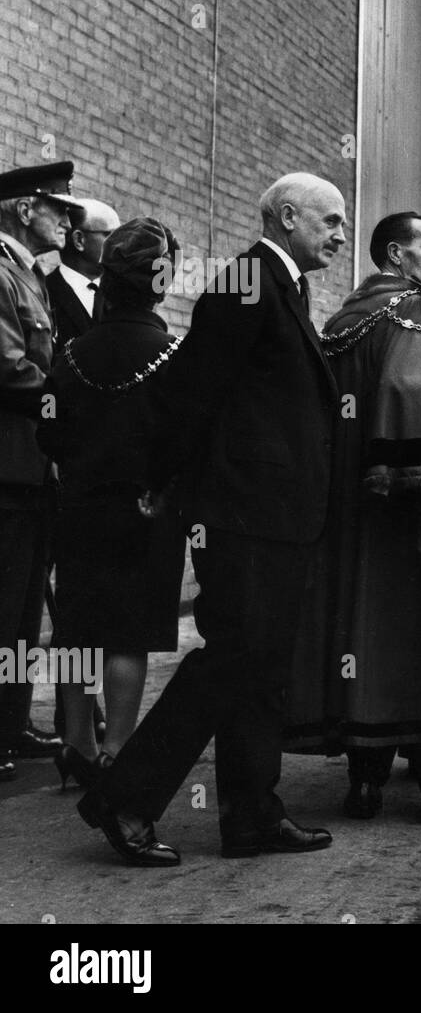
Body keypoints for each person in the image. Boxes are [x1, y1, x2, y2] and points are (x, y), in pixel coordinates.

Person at [78, 172, 344, 866]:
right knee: (229, 661)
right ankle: (125, 798)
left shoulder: (281, 285)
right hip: (245, 515)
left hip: (274, 515)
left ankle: (253, 815)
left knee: (260, 669)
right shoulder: (248, 283)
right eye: (331, 220)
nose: (342, 234)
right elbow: (194, 391)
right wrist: (163, 481)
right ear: (288, 217)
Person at [284, 212, 421, 823]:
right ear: (393, 255)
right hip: (419, 508)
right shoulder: (414, 310)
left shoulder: (341, 320)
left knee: (367, 627)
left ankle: (366, 783)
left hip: (355, 507)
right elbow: (415, 395)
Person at [37, 218, 187, 791]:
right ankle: (116, 750)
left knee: (78, 629)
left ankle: (77, 744)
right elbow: (184, 435)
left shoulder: (72, 352)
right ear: (160, 281)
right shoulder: (172, 353)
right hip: (147, 508)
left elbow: (48, 430)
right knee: (129, 632)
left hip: (80, 506)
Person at [0, 162, 77, 777]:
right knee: (4, 607)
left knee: (24, 610)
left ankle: (13, 724)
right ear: (25, 208)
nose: (67, 221)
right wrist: (74, 401)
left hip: (31, 468)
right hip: (8, 468)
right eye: (59, 209)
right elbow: (10, 369)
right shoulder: (2, 271)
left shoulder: (28, 274)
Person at [46, 197, 118, 744]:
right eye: (106, 235)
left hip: (105, 474)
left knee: (96, 607)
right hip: (60, 465)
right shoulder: (47, 292)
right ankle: (71, 729)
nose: (113, 246)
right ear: (78, 239)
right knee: (68, 606)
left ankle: (84, 728)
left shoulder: (115, 301)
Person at [48, 199, 119, 347]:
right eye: (111, 236)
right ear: (79, 240)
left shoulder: (121, 297)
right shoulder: (43, 292)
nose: (120, 245)